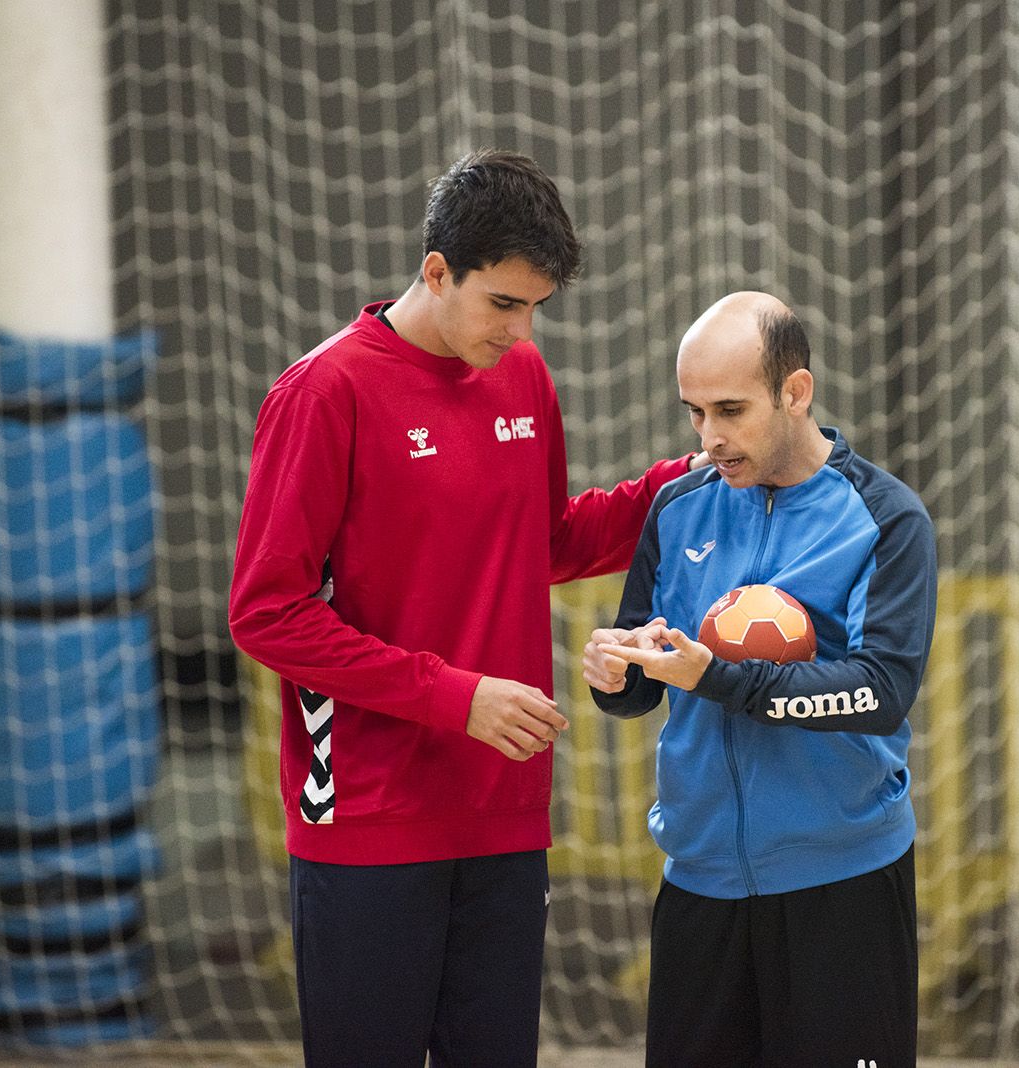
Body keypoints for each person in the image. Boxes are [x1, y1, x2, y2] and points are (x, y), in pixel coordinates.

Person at [228, 149, 705, 1068]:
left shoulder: (521, 379)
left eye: (536, 309)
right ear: (436, 271)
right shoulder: (326, 392)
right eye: (504, 304)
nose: (523, 332)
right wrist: (457, 697)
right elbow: (268, 613)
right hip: (369, 815)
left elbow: (547, 541)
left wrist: (686, 479)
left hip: (504, 807)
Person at [583, 292, 937, 1068]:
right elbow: (645, 679)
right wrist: (614, 674)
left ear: (795, 392)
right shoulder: (678, 508)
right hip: (700, 881)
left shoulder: (885, 519)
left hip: (841, 884)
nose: (710, 438)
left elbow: (880, 693)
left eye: (731, 410)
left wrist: (722, 678)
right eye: (694, 413)